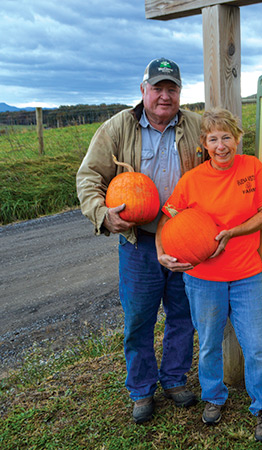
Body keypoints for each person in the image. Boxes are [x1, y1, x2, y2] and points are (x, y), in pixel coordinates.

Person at [76, 58, 205, 424]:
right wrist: (103, 214)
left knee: (183, 315)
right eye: (158, 88)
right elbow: (89, 177)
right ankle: (142, 389)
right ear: (143, 90)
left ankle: (175, 379)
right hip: (139, 243)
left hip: (185, 239)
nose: (165, 96)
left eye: (172, 89)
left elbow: (222, 168)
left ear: (180, 92)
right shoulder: (118, 127)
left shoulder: (196, 126)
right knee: (139, 319)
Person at [155, 109, 262, 441]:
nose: (221, 145)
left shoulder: (251, 168)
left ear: (237, 139)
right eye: (213, 139)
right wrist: (160, 251)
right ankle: (213, 397)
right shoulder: (192, 180)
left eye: (227, 137)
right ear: (204, 143)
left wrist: (233, 232)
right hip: (203, 278)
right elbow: (167, 218)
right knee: (209, 343)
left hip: (245, 274)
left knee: (254, 344)